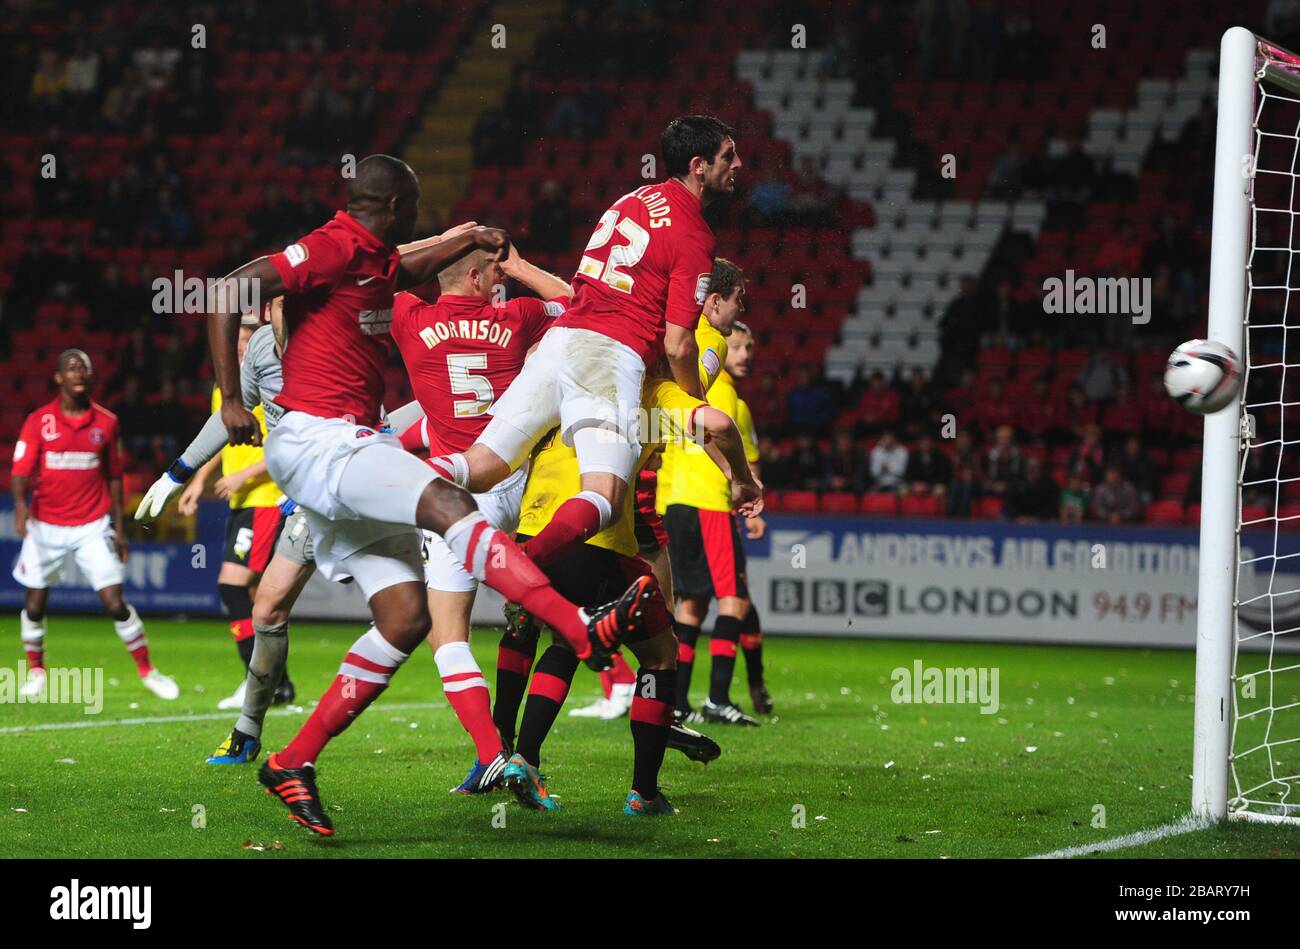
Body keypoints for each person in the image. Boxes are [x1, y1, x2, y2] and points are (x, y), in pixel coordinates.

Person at [206, 155, 651, 835]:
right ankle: (577, 625)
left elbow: (409, 270)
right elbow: (225, 290)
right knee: (448, 504)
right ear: (390, 207)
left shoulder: (382, 267)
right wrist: (233, 398)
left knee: (407, 617)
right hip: (321, 440)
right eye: (413, 208)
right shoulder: (332, 245)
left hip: (351, 446)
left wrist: (468, 232)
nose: (417, 221)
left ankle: (292, 760)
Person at [435, 117, 759, 572]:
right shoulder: (694, 234)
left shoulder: (632, 199)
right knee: (604, 497)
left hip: (561, 340)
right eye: (729, 155)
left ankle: (392, 482)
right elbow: (679, 344)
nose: (738, 163)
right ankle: (520, 569)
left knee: (482, 466)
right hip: (608, 356)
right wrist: (693, 399)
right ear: (698, 165)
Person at [388, 238, 571, 793]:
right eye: (492, 273)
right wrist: (520, 264)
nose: (501, 280)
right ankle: (525, 748)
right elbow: (576, 300)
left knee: (446, 634)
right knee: (528, 619)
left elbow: (372, 262)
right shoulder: (518, 316)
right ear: (475, 280)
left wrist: (451, 239)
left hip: (462, 491)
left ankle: (493, 753)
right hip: (526, 485)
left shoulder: (409, 317)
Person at [11, 350, 178, 702]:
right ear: (58, 377)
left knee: (115, 602)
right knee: (35, 604)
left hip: (92, 524)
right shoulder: (38, 421)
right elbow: (20, 472)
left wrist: (118, 527)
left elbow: (114, 477)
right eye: (72, 367)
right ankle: (37, 672)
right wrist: (21, 510)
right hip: (46, 526)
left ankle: (148, 671)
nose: (79, 372)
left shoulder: (106, 422)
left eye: (85, 367)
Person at [657, 259, 763, 726]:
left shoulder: (671, 334)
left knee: (691, 604)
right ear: (716, 301)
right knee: (734, 600)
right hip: (705, 499)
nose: (743, 352)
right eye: (739, 300)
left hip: (673, 497)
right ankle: (718, 698)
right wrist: (740, 480)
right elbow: (712, 429)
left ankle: (677, 701)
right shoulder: (717, 377)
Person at [177, 314, 292, 711]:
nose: (242, 346)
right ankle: (279, 682)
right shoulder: (226, 389)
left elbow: (285, 443)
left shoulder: (269, 380)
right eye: (237, 340)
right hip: (243, 503)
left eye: (248, 338)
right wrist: (196, 480)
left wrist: (244, 475)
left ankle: (256, 680)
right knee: (254, 595)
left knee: (231, 586)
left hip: (264, 498)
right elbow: (223, 435)